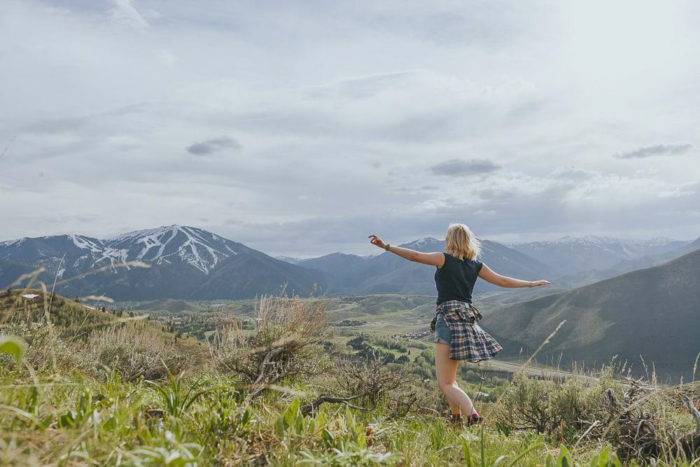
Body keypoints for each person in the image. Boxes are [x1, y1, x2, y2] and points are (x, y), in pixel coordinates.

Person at [368, 224, 550, 425]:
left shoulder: (443, 259)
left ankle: (472, 414)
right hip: (466, 322)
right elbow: (502, 281)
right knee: (451, 380)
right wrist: (530, 284)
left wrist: (386, 246)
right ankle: (455, 419)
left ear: (450, 240)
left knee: (445, 383)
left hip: (447, 320)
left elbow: (415, 256)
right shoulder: (476, 265)